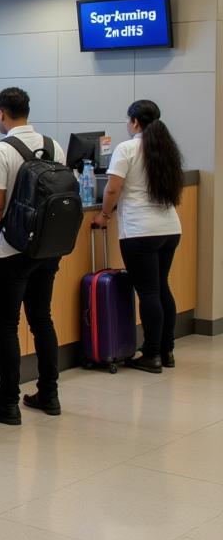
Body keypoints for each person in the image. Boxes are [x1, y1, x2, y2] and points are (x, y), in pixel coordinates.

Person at [0, 87, 66, 422]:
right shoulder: (53, 144)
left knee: (6, 325)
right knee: (42, 319)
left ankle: (8, 401)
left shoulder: (1, 150)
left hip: (11, 249)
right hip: (46, 247)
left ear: (1, 113)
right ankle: (50, 394)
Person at [93, 99, 183, 372]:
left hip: (140, 231)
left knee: (148, 292)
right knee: (162, 288)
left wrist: (104, 215)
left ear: (134, 122)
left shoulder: (128, 148)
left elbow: (112, 189)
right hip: (169, 227)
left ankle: (152, 354)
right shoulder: (167, 149)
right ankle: (167, 351)